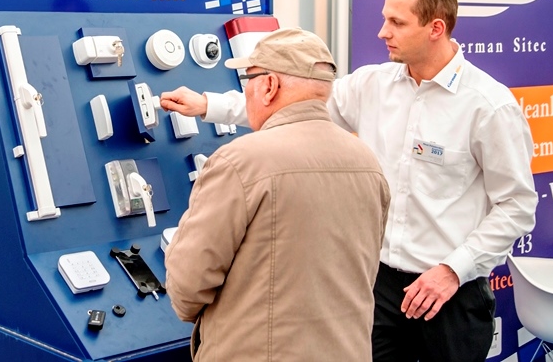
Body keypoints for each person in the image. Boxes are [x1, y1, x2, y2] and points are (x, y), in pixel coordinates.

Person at [160, 0, 538, 362]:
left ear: (436, 28)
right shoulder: (372, 84)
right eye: (384, 18)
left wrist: (452, 270)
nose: (383, 32)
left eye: (397, 22)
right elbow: (291, 100)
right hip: (377, 288)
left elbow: (516, 207)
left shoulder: (489, 106)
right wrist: (206, 105)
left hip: (450, 294)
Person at [164, 28, 390, 362]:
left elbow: (189, 283)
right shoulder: (367, 161)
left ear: (269, 86)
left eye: (248, 79)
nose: (246, 90)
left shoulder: (239, 161)